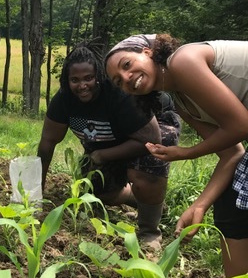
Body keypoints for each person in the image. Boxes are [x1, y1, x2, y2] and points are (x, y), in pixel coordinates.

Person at [105, 34, 248, 278]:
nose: (127, 79)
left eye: (127, 66)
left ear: (148, 52)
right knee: (230, 205)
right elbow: (233, 153)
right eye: (119, 81)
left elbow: (240, 125)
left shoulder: (182, 61)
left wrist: (187, 153)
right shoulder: (182, 99)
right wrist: (199, 204)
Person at [37, 43, 181, 250]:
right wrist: (37, 192)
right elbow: (47, 144)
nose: (82, 85)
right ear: (67, 81)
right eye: (75, 80)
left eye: (88, 78)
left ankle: (150, 230)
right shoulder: (64, 100)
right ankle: (144, 200)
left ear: (98, 77)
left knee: (145, 168)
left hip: (152, 126)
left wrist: (104, 155)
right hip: (111, 141)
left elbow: (150, 139)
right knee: (94, 189)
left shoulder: (119, 95)